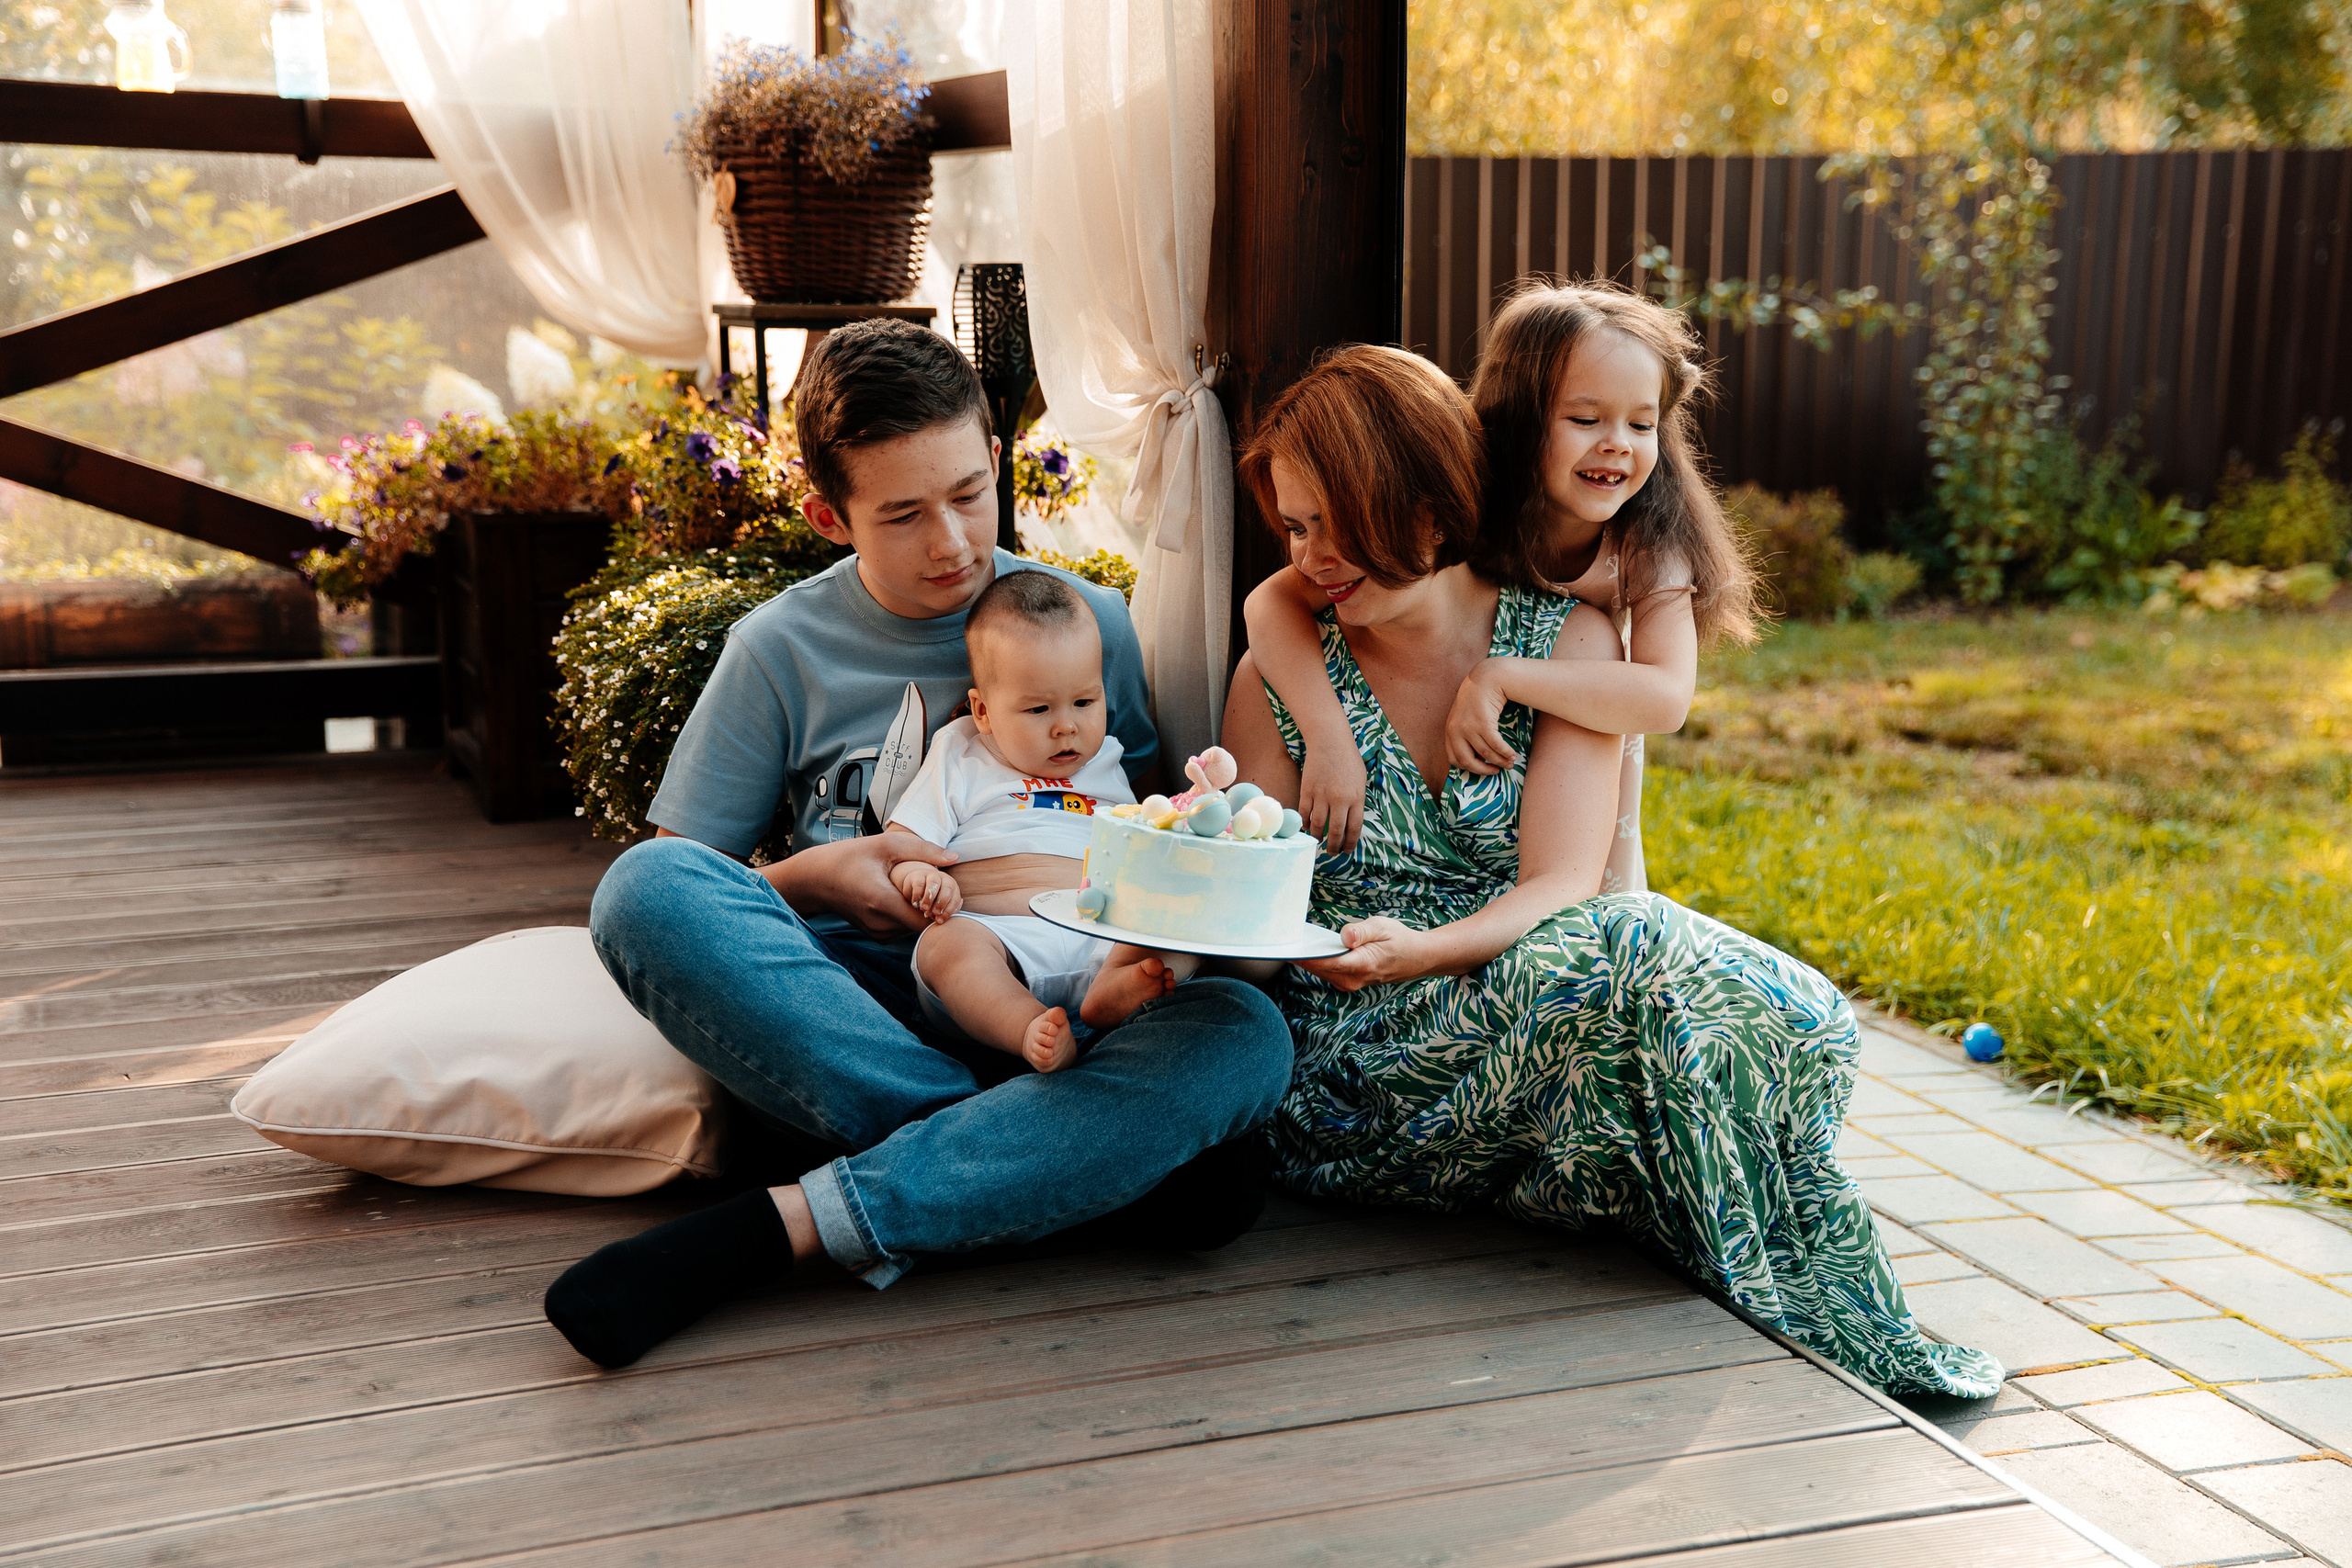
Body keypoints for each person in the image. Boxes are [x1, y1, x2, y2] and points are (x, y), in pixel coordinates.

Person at [1221, 343, 1999, 1397]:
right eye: (1296, 525)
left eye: (1335, 521)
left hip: (1519, 993)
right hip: (1358, 1059)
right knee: (1633, 950)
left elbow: (1554, 884)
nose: (1313, 556)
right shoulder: (1283, 669)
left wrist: (1430, 950)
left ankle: (1649, 1196)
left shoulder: (1569, 640)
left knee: (1803, 1014)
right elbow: (1250, 913)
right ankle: (1728, 1248)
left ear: (1428, 501)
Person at [543, 321, 1294, 1371]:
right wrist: (817, 879)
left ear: (995, 461)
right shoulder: (777, 650)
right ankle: (1053, 1151)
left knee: (1243, 1030)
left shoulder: (1087, 622)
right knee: (641, 889)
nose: (950, 540)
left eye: (967, 494)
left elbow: (1141, 825)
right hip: (860, 1009)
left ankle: (794, 1223)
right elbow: (693, 885)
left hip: (1066, 997)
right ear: (827, 515)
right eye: (901, 513)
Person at [1242, 281, 1760, 901]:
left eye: (1642, 423)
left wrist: (1502, 677)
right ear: (1520, 419)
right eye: (1585, 418)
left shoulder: (1650, 543)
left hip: (1592, 703)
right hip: (1482, 702)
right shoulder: (1467, 507)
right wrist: (1328, 736)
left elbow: (1665, 697)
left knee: (1608, 890)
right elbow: (1271, 601)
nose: (1618, 441)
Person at [883, 570, 1140, 1072]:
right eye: (1039, 708)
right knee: (946, 947)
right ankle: (1026, 1027)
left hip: (1101, 937)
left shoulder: (1107, 759)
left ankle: (1113, 991)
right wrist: (920, 877)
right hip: (999, 934)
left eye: (1085, 702)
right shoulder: (962, 751)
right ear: (982, 711)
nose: (1067, 725)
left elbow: (1139, 845)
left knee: (1179, 935)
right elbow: (902, 844)